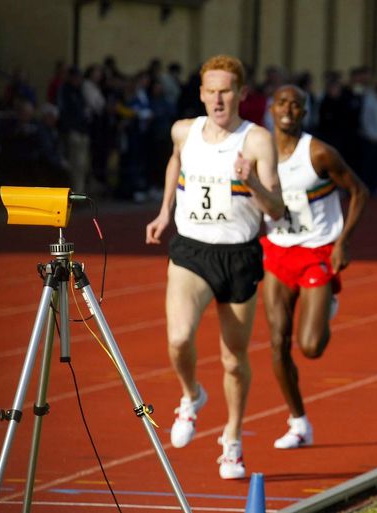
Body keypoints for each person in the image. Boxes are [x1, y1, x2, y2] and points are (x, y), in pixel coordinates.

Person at [145, 54, 284, 480]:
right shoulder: (184, 131)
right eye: (211, 91)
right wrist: (165, 211)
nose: (218, 99)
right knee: (178, 338)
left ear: (242, 94)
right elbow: (175, 161)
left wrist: (252, 181)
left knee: (233, 357)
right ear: (201, 94)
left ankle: (232, 440)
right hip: (191, 250)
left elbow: (276, 209)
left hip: (239, 256)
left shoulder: (257, 140)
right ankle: (191, 396)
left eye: (226, 91)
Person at [262, 85, 368, 449]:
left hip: (317, 252)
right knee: (277, 342)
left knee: (311, 347)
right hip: (276, 252)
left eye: (296, 104)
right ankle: (298, 421)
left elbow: (359, 191)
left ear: (304, 113)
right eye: (282, 103)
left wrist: (343, 242)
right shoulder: (257, 152)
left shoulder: (319, 153)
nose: (288, 109)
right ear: (271, 108)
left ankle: (326, 306)